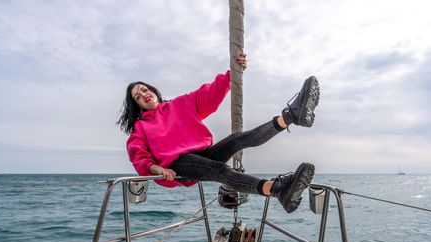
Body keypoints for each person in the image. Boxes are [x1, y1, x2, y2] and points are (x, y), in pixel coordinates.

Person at [118, 53, 319, 213]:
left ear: (152, 90)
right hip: (178, 165)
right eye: (138, 96)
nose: (144, 94)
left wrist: (234, 71)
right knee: (220, 171)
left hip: (202, 153)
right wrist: (159, 170)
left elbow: (209, 93)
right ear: (137, 105)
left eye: (144, 89)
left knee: (237, 139)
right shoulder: (141, 128)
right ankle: (277, 189)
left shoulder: (179, 104)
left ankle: (292, 116)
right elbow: (139, 159)